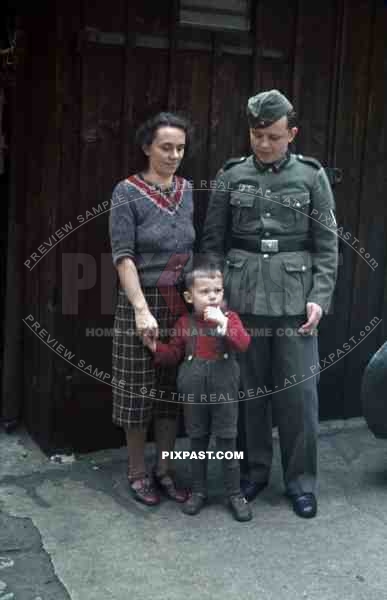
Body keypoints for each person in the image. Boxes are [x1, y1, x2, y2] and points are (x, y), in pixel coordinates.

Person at [201, 90, 338, 518]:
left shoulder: (312, 178)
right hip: (244, 300)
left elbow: (327, 247)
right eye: (258, 135)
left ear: (291, 134)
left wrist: (319, 298)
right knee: (251, 395)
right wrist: (216, 298)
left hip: (297, 305)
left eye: (274, 136)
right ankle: (254, 473)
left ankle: (301, 483)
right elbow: (212, 244)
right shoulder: (230, 176)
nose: (265, 144)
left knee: (299, 397)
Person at [109, 112, 196, 506]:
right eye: (166, 147)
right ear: (147, 148)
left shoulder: (186, 189)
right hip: (140, 303)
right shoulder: (126, 192)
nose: (174, 154)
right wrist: (142, 311)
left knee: (169, 392)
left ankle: (164, 469)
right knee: (136, 392)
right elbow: (123, 257)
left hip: (179, 303)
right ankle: (137, 472)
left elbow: (189, 250)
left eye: (180, 147)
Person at [144, 256, 252, 521]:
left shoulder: (231, 319)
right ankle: (199, 491)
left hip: (224, 393)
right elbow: (173, 354)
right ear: (190, 297)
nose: (213, 297)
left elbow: (243, 344)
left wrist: (223, 324)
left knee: (228, 442)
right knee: (197, 441)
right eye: (205, 292)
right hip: (193, 395)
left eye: (217, 291)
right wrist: (155, 348)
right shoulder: (184, 324)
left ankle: (235, 494)